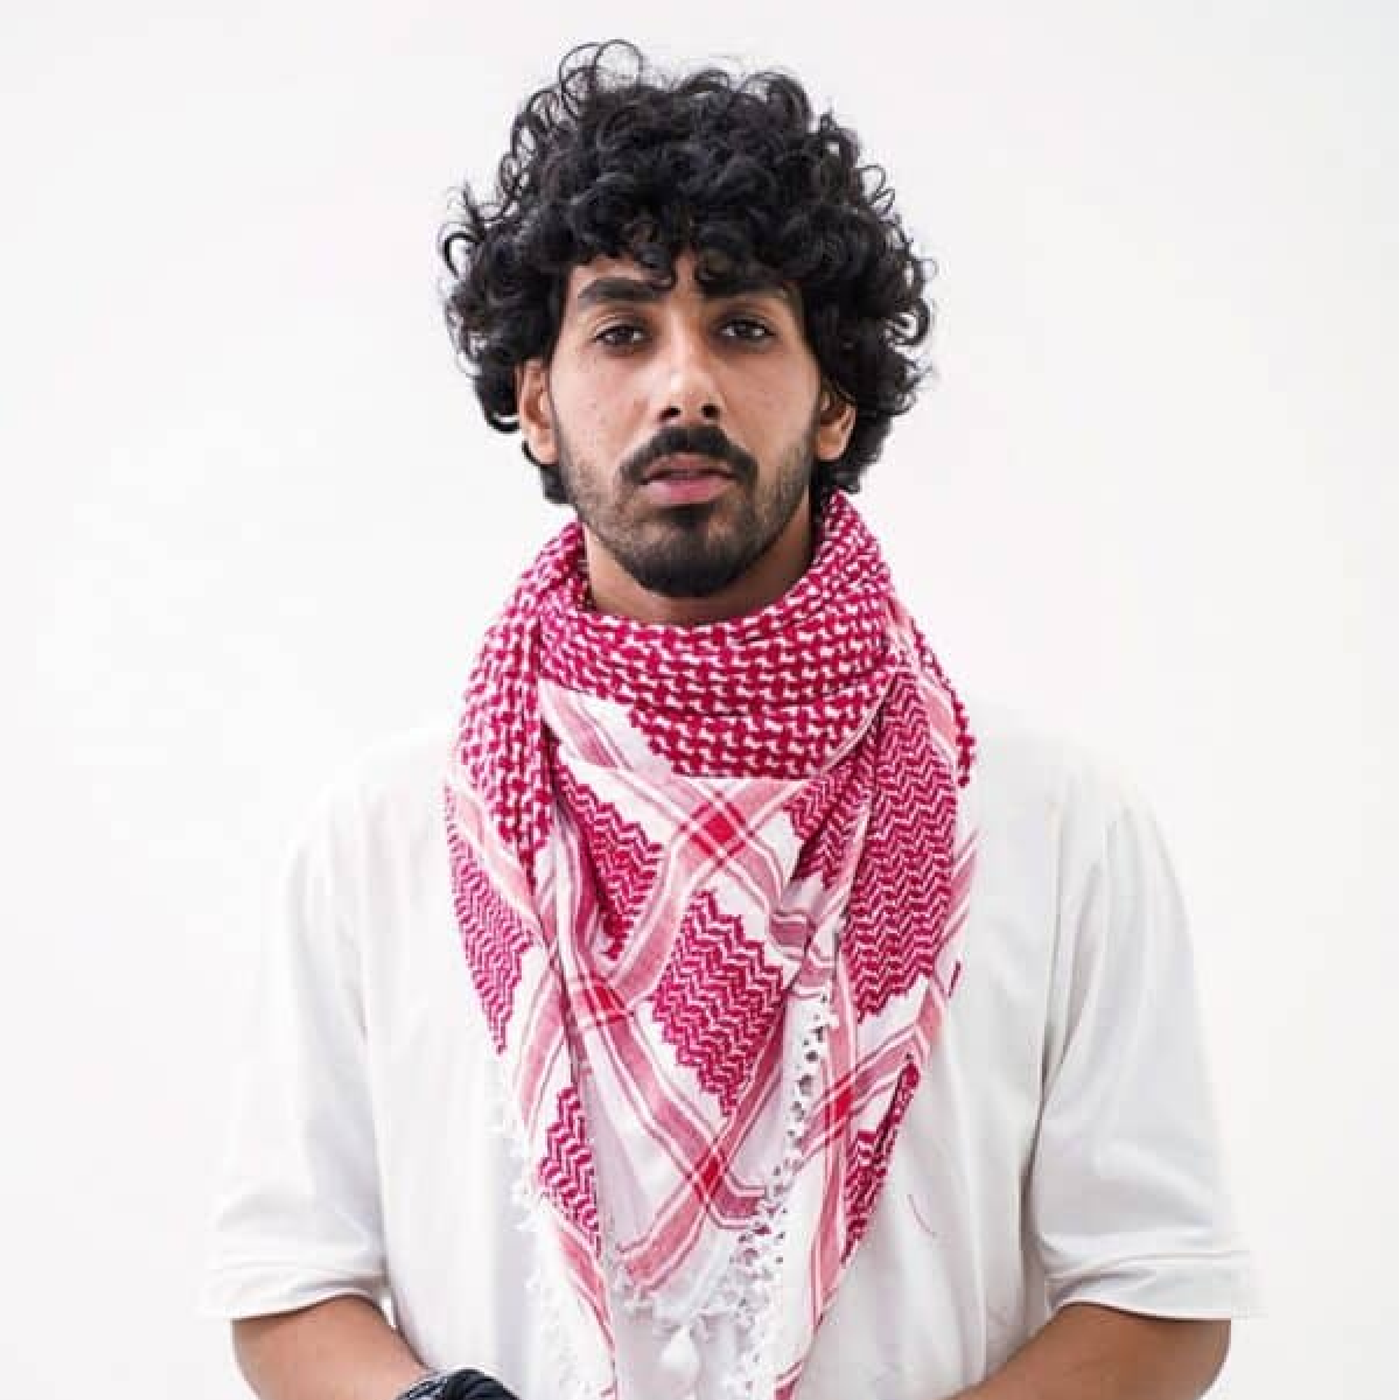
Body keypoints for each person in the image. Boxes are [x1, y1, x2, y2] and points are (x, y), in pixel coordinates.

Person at [200, 39, 1258, 1400]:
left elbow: (1163, 1292)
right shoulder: (386, 834)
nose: (683, 385)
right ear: (536, 402)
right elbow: (287, 1284)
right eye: (623, 331)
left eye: (746, 327)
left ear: (835, 402)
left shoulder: (1051, 823)